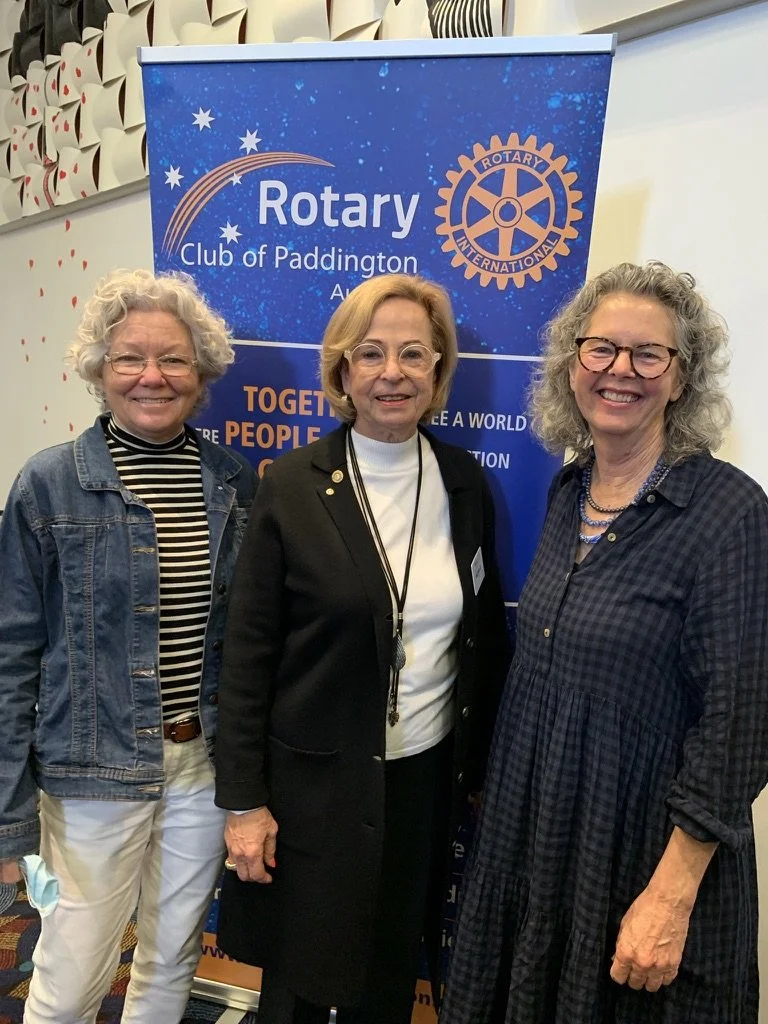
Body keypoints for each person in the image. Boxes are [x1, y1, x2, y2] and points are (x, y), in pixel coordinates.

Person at [440, 261, 768, 1024]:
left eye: (649, 354)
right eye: (601, 349)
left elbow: (740, 723)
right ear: (572, 363)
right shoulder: (569, 490)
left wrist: (670, 894)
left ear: (682, 377)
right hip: (539, 837)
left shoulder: (727, 513)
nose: (621, 371)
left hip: (642, 858)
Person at [213, 273, 510, 1024]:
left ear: (439, 371)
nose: (393, 373)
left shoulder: (462, 482)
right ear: (342, 370)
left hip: (421, 778)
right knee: (304, 980)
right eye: (370, 353)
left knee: (388, 970)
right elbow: (247, 654)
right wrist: (244, 802)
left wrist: (478, 764)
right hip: (312, 783)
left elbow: (481, 635)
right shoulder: (291, 487)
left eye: (415, 354)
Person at [0, 268, 258, 1024]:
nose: (152, 377)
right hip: (88, 774)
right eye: (129, 359)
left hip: (199, 767)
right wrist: (11, 817)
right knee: (73, 970)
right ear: (99, 371)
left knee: (173, 955)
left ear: (201, 372)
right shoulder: (48, 484)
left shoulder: (230, 482)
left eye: (174, 359)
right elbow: (11, 655)